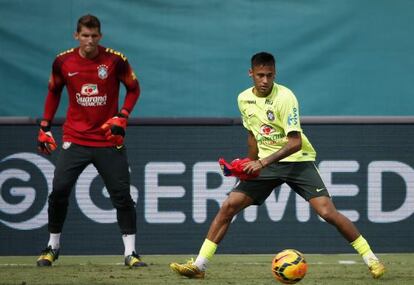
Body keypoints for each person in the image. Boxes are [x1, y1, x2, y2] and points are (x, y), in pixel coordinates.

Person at [170, 52, 385, 279]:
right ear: (250, 73)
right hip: (266, 165)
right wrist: (247, 162)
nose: (265, 80)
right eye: (260, 75)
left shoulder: (285, 97)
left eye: (269, 75)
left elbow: (295, 142)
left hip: (297, 162)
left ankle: (371, 259)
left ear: (275, 74)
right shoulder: (243, 98)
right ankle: (200, 266)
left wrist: (261, 162)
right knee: (228, 206)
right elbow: (253, 135)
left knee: (326, 212)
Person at [36, 14, 147, 268]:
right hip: (75, 138)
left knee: (122, 196)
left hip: (108, 139)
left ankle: (130, 253)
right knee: (59, 192)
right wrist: (45, 126)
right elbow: (53, 91)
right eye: (84, 36)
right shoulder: (63, 62)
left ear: (100, 36)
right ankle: (52, 247)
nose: (89, 40)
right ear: (76, 36)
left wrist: (123, 116)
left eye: (94, 36)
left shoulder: (115, 60)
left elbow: (134, 88)